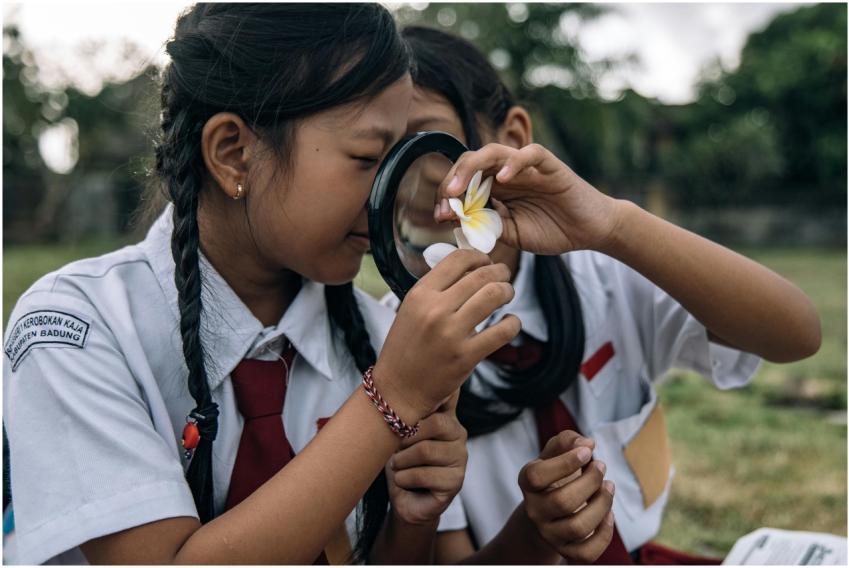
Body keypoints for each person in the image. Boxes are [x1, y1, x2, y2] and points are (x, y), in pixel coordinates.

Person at [1, 7, 522, 564]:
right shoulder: (77, 327)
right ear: (233, 153)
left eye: (398, 157)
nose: (391, 191)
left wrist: (412, 519)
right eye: (368, 158)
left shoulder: (379, 336)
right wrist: (390, 401)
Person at [388, 25, 822, 564]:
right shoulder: (399, 343)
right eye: (377, 156)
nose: (401, 180)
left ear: (515, 136)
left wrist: (614, 226)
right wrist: (534, 534)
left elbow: (797, 333)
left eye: (422, 142)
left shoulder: (603, 275)